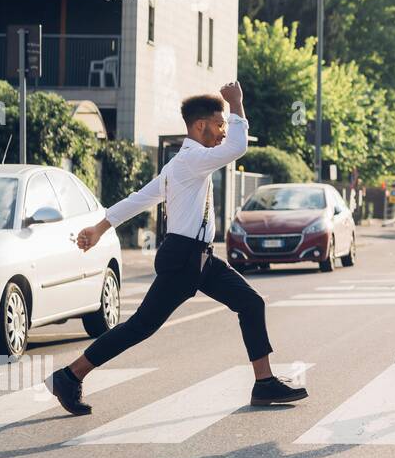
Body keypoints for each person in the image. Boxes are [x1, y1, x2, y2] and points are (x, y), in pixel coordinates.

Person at [45, 82, 307, 415]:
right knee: (141, 326)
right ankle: (69, 376)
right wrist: (237, 103)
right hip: (184, 258)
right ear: (201, 126)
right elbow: (238, 147)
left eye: (225, 124)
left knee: (251, 303)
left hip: (201, 258)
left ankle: (264, 383)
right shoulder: (191, 159)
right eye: (220, 124)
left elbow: (139, 199)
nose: (224, 132)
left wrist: (99, 227)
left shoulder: (181, 165)